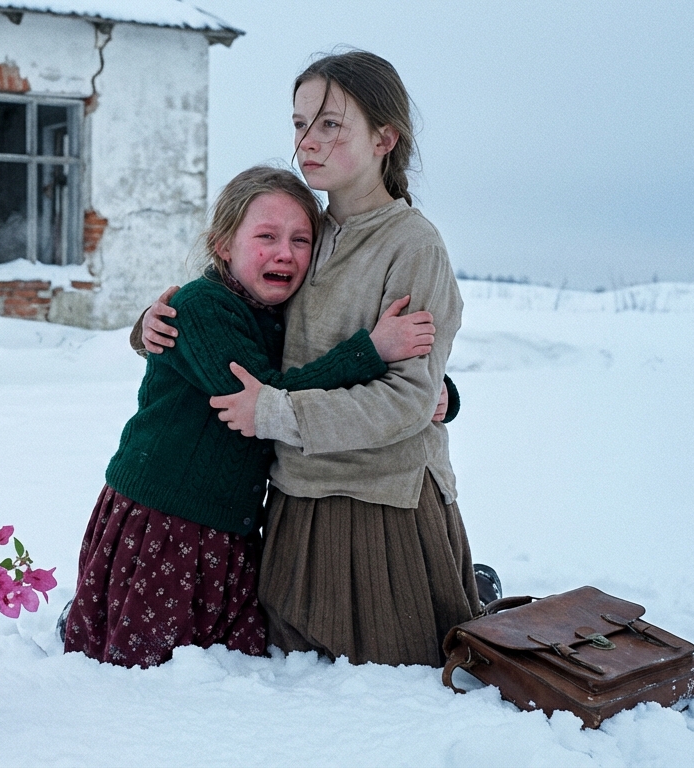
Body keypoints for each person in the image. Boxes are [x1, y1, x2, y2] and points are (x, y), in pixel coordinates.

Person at [140, 51, 485, 667]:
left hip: (381, 503)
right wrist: (150, 328)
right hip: (295, 501)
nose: (309, 141)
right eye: (300, 124)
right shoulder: (307, 231)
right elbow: (247, 322)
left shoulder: (414, 246)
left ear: (385, 138)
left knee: (384, 675)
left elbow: (406, 396)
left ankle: (461, 591)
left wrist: (278, 412)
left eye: (330, 124)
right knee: (283, 662)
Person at [64, 165, 442, 668]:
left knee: (227, 660)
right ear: (223, 245)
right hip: (164, 520)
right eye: (266, 236)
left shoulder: (279, 313)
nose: (285, 252)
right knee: (152, 669)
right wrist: (369, 351)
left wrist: (437, 391)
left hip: (227, 529)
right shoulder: (202, 307)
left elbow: (313, 359)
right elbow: (267, 395)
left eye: (301, 240)